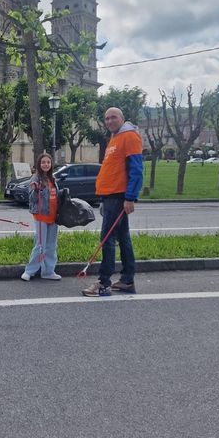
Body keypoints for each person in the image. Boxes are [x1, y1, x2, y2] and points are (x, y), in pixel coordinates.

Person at [82, 107, 143, 297]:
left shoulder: (129, 136)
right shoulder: (115, 138)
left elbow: (136, 170)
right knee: (123, 238)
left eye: (113, 117)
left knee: (107, 239)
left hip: (118, 196)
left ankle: (104, 283)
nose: (109, 121)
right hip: (110, 196)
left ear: (122, 118)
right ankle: (127, 280)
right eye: (107, 118)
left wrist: (130, 197)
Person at [21, 153, 61, 281]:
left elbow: (56, 197)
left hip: (54, 217)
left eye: (48, 162)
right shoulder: (35, 178)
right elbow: (31, 199)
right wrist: (36, 190)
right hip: (41, 216)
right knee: (40, 246)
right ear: (39, 164)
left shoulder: (52, 178)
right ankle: (29, 271)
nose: (46, 164)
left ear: (51, 164)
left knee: (51, 246)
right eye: (43, 162)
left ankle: (48, 272)